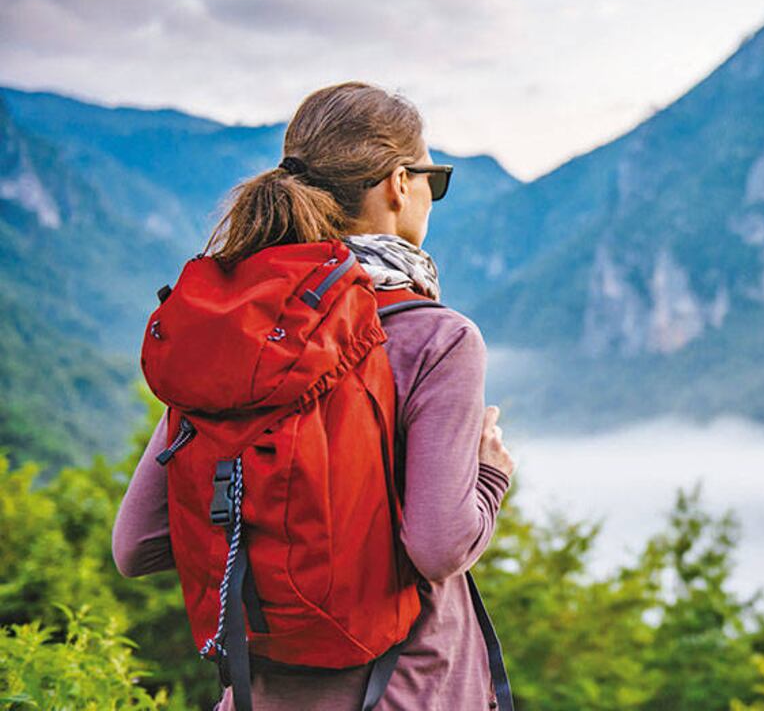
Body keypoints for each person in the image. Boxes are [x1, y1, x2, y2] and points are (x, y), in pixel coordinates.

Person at [111, 81, 517, 710]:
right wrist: (489, 475)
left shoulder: (235, 329)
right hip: (405, 688)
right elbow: (439, 547)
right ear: (398, 184)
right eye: (432, 181)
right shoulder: (438, 338)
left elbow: (136, 544)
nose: (429, 198)